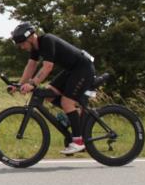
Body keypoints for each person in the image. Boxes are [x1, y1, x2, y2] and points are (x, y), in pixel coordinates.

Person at [9, 22, 96, 155]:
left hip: (83, 68)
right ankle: (74, 114)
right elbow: (31, 66)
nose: (21, 47)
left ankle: (78, 142)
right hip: (72, 70)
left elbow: (47, 67)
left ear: (31, 38)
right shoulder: (35, 48)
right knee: (49, 93)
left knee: (66, 102)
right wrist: (20, 84)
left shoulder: (47, 41)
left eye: (22, 43)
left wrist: (32, 84)